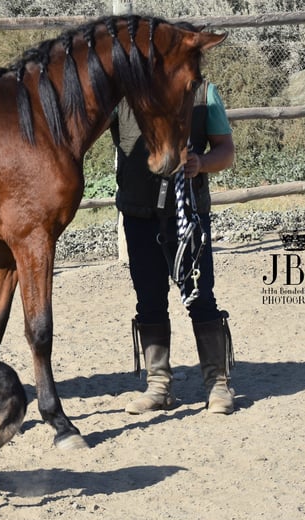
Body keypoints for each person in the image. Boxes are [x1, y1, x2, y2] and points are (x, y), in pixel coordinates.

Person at [111, 75, 236, 415]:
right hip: (138, 213)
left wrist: (202, 164)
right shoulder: (122, 96)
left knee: (200, 297)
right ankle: (159, 386)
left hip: (188, 213)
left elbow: (226, 149)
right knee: (148, 300)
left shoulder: (204, 93)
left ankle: (218, 384)